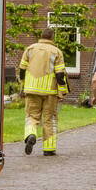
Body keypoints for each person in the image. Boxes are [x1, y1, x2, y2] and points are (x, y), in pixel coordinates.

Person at [18, 27, 68, 156]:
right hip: (49, 91)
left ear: (41, 36)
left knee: (31, 116)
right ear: (52, 37)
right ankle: (49, 149)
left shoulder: (30, 49)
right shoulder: (56, 51)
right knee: (49, 119)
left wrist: (23, 83)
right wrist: (62, 90)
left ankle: (31, 134)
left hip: (31, 89)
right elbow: (60, 75)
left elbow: (22, 69)